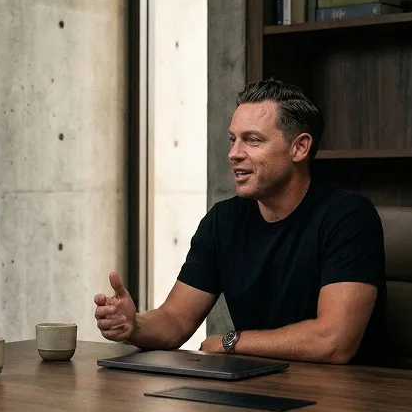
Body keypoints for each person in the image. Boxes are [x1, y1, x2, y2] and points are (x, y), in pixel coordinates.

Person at [94, 77, 387, 365]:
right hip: (255, 388)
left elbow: (334, 342)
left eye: (253, 140)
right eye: (233, 140)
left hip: (341, 399)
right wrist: (133, 325)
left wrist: (231, 342)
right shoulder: (222, 221)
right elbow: (175, 320)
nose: (234, 154)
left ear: (299, 148)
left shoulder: (348, 216)